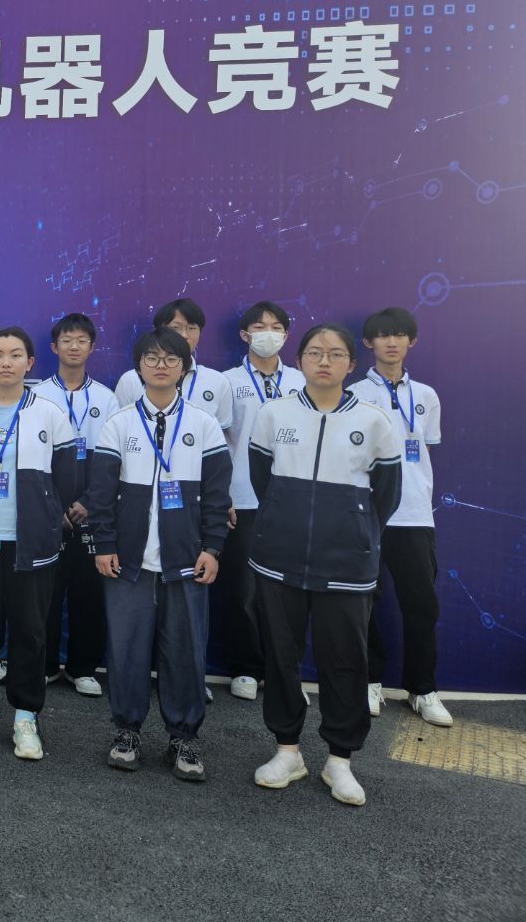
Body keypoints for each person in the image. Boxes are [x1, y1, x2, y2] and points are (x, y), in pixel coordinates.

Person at [249, 323, 402, 807]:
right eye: (314, 352)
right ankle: (287, 751)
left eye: (335, 354)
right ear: (300, 361)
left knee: (345, 661)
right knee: (281, 656)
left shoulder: (375, 421)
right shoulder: (274, 414)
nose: (324, 361)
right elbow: (262, 481)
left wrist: (353, 530)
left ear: (351, 365)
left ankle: (340, 760)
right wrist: (284, 520)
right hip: (280, 558)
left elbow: (386, 496)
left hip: (347, 565)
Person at [88, 327, 231, 781]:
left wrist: (213, 548)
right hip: (128, 563)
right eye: (152, 358)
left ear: (185, 367)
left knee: (185, 652)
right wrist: (104, 545)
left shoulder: (204, 426)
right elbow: (100, 496)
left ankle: (183, 738)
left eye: (171, 359)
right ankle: (126, 732)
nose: (161, 365)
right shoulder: (119, 424)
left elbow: (217, 498)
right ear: (138, 367)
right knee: (126, 650)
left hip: (186, 563)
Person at [0, 327, 79, 761]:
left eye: (15, 355)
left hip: (33, 546)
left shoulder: (49, 414)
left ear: (30, 363)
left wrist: (45, 514)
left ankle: (26, 718)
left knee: (30, 631)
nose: (6, 362)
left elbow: (66, 478)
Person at [349, 307, 452, 727]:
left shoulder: (426, 395)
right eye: (382, 335)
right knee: (364, 603)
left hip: (415, 515)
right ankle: (370, 680)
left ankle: (422, 689)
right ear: (368, 343)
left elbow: (426, 449)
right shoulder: (354, 393)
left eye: (399, 335)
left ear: (412, 341)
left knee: (421, 605)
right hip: (369, 514)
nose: (391, 342)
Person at [217, 300, 306, 701]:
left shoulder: (302, 381)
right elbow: (216, 443)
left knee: (289, 592)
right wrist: (221, 495)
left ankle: (283, 671)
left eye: (275, 327)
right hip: (242, 497)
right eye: (259, 326)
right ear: (245, 335)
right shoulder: (226, 382)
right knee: (243, 589)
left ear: (286, 335)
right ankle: (245, 668)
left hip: (291, 499)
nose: (268, 333)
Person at [36, 312, 119, 697]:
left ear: (91, 347)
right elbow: (34, 459)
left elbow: (112, 460)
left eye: (81, 340)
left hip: (92, 507)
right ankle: (45, 664)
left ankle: (83, 667)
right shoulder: (37, 395)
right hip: (49, 506)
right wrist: (55, 506)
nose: (73, 346)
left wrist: (89, 502)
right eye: (66, 340)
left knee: (88, 592)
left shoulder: (106, 397)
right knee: (45, 591)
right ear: (54, 347)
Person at [114, 298, 232, 432]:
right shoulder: (130, 380)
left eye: (192, 328)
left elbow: (222, 433)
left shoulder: (218, 381)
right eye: (176, 328)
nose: (184, 335)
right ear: (159, 331)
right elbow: (120, 429)